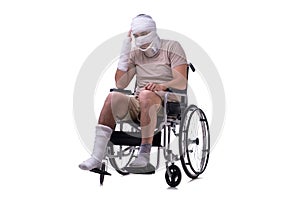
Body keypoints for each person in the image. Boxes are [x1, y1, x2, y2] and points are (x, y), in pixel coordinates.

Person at [79, 14, 188, 170]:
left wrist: (161, 86)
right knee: (113, 97)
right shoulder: (136, 53)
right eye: (137, 36)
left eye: (144, 34)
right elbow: (121, 83)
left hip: (167, 99)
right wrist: (124, 54)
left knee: (145, 95)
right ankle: (96, 157)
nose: (141, 39)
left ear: (152, 31)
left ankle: (144, 155)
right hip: (140, 100)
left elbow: (181, 81)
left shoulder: (172, 46)